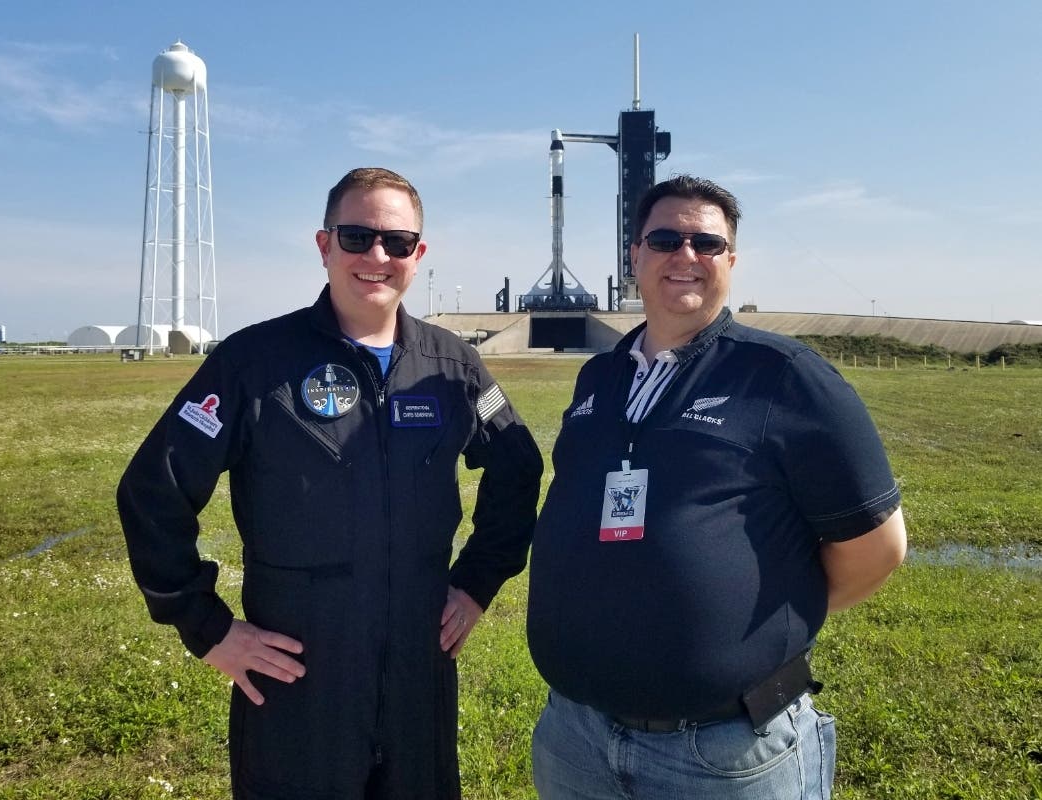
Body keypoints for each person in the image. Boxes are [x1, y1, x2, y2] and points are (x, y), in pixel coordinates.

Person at [117, 167, 543, 800]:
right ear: (324, 245)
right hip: (299, 684)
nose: (377, 256)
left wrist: (477, 584)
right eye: (356, 236)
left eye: (397, 242)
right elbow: (154, 490)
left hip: (417, 682)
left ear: (417, 256)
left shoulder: (454, 367)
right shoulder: (254, 362)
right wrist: (206, 627)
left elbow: (517, 469)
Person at [526, 174, 907, 799]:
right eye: (666, 239)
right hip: (577, 736)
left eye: (706, 243)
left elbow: (878, 548)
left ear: (730, 259)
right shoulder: (599, 377)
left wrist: (754, 629)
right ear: (635, 256)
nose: (686, 256)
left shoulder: (784, 377)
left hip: (726, 754)